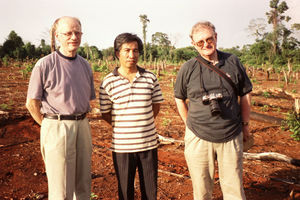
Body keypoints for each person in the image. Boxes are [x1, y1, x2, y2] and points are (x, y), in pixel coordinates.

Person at [174, 21, 252, 200]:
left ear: (216, 37)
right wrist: (189, 124)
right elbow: (179, 98)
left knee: (234, 189)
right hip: (198, 137)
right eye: (200, 42)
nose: (206, 44)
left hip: (231, 133)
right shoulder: (188, 67)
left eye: (209, 39)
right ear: (193, 44)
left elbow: (245, 94)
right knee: (201, 189)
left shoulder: (232, 61)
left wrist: (245, 125)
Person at [26, 16, 96, 200]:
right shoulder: (44, 64)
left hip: (82, 124)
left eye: (77, 32)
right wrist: (48, 126)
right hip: (56, 125)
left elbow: (87, 99)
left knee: (83, 183)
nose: (74, 37)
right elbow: (32, 103)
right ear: (57, 36)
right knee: (61, 187)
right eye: (68, 33)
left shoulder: (85, 65)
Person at [99, 33, 163, 200]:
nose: (131, 55)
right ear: (117, 53)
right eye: (126, 50)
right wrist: (124, 125)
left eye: (135, 51)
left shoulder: (150, 78)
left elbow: (155, 107)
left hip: (148, 144)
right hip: (122, 147)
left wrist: (142, 122)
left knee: (150, 192)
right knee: (125, 192)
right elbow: (106, 113)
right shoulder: (108, 82)